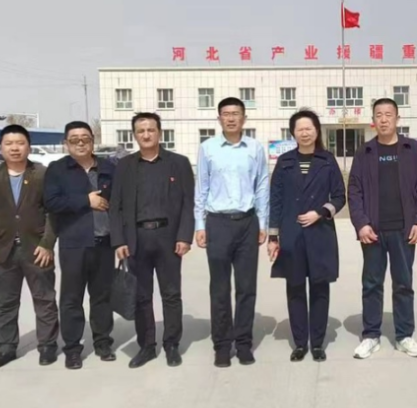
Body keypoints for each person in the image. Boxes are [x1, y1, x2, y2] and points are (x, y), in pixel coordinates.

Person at [109, 112, 195, 369]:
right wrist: (119, 241)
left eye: (150, 130)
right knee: (141, 296)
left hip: (169, 238)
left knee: (171, 294)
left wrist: (184, 236)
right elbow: (116, 206)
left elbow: (188, 203)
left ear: (160, 132)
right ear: (134, 135)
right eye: (141, 131)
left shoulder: (178, 163)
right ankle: (146, 346)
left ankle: (171, 345)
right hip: (136, 239)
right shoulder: (125, 166)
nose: (146, 135)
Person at [0, 124, 60, 369]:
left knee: (45, 299)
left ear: (29, 146)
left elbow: (54, 212)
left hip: (37, 249)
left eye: (20, 143)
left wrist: (47, 243)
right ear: (1, 147)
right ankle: (6, 347)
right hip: (1, 250)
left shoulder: (42, 174)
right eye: (9, 144)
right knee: (4, 302)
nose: (15, 148)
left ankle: (48, 345)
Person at [347, 98, 417, 360]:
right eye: (379, 115)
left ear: (397, 118)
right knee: (372, 284)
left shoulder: (411, 148)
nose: (383, 119)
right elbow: (354, 190)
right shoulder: (365, 152)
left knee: (403, 283)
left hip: (404, 230)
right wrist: (361, 224)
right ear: (373, 120)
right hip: (372, 232)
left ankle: (404, 335)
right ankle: (371, 335)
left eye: (388, 114)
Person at [194, 97, 270, 368]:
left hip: (247, 223)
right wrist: (199, 225)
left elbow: (262, 186)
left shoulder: (255, 148)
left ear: (244, 118)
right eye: (226, 114)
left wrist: (263, 223)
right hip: (218, 223)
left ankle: (244, 343)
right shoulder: (208, 148)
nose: (230, 118)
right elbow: (201, 187)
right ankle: (222, 345)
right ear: (219, 119)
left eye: (235, 113)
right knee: (220, 287)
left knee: (247, 287)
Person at [267, 110, 345, 362]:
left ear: (316, 130)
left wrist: (320, 212)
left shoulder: (327, 160)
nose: (304, 133)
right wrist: (273, 236)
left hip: (320, 233)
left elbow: (339, 196)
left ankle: (318, 343)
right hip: (292, 234)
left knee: (320, 288)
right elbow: (275, 200)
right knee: (295, 288)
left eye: (308, 128)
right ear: (293, 133)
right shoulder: (284, 162)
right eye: (299, 129)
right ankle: (300, 343)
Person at [44, 121, 117, 369]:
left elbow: (119, 202)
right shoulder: (57, 169)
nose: (80, 143)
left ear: (92, 140)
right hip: (74, 244)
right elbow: (52, 202)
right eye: (74, 139)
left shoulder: (108, 167)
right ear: (66, 143)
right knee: (71, 299)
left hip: (104, 243)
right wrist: (86, 200)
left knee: (102, 297)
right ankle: (73, 348)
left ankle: (103, 342)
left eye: (85, 138)